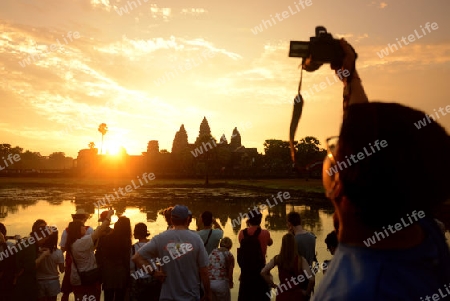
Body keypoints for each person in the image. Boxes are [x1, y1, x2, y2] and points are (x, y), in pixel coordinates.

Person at [311, 39, 450, 300]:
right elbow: (370, 145)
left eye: (336, 146)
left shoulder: (361, 292)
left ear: (340, 183)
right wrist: (349, 76)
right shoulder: (417, 225)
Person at [132, 204, 212, 301]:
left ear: (171, 219)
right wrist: (207, 293)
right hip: (191, 296)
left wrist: (154, 273)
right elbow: (204, 271)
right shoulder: (196, 239)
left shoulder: (160, 238)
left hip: (167, 296)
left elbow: (136, 258)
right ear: (187, 219)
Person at [66, 209, 114, 301]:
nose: (85, 228)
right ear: (78, 230)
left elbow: (93, 246)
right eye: (82, 227)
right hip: (87, 278)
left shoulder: (74, 242)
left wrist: (99, 235)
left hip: (77, 278)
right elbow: (99, 229)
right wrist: (109, 216)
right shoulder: (81, 242)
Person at [261, 233, 315, 301]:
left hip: (282, 294)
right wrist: (307, 293)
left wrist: (273, 285)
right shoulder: (300, 260)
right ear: (294, 244)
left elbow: (263, 272)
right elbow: (312, 279)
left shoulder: (278, 259)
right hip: (297, 296)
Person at [237, 209, 273, 301]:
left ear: (248, 220)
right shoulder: (265, 233)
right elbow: (270, 243)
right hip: (261, 271)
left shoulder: (242, 233)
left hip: (245, 272)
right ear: (260, 220)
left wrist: (247, 226)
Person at [60, 209, 94, 301]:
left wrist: (59, 263)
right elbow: (94, 247)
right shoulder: (89, 229)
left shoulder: (66, 231)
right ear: (85, 218)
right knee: (86, 291)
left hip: (70, 263)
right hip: (86, 265)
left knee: (66, 292)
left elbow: (62, 249)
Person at [96, 216, 131, 301]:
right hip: (121, 272)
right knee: (120, 297)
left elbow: (99, 256)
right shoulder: (126, 240)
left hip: (107, 272)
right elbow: (127, 260)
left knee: (108, 297)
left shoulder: (105, 238)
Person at [129, 223, 161, 301]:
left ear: (136, 233)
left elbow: (131, 266)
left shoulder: (133, 248)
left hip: (139, 280)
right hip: (153, 279)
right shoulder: (154, 246)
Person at [36, 228, 65, 301]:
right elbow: (62, 270)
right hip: (53, 281)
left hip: (39, 281)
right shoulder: (58, 252)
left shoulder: (37, 251)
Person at [207, 237, 234, 301]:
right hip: (221, 283)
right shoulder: (229, 255)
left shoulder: (212, 252)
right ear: (230, 246)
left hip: (209, 283)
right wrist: (231, 283)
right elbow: (230, 272)